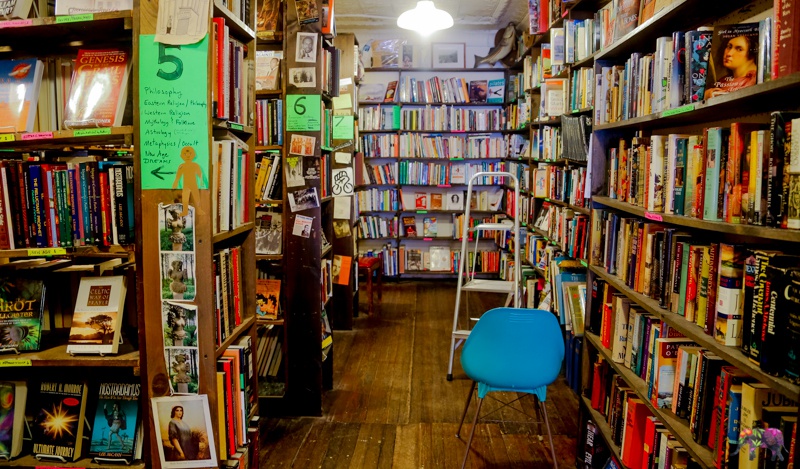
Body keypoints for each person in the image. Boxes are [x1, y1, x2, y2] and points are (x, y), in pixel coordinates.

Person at [704, 34, 757, 99]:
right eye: (729, 47)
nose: (729, 53)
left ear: (752, 55)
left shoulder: (754, 80)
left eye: (739, 49)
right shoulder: (722, 82)